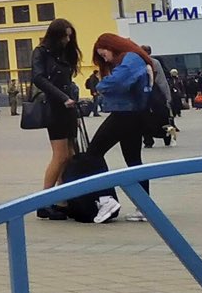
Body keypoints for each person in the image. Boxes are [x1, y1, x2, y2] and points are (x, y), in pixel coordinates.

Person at [85, 34, 153, 215]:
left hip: (125, 113)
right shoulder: (134, 58)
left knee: (93, 153)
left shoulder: (130, 59)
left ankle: (106, 198)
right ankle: (144, 207)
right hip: (134, 114)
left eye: (104, 54)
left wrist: (100, 86)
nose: (104, 59)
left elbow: (118, 82)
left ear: (112, 46)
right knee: (133, 160)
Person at [29, 19, 83, 189]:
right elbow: (38, 78)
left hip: (68, 106)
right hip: (55, 106)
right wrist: (62, 97)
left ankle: (63, 198)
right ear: (55, 36)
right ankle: (45, 200)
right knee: (60, 155)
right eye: (64, 37)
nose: (67, 40)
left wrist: (73, 97)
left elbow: (67, 80)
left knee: (70, 155)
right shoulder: (41, 52)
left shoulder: (65, 52)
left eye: (69, 37)